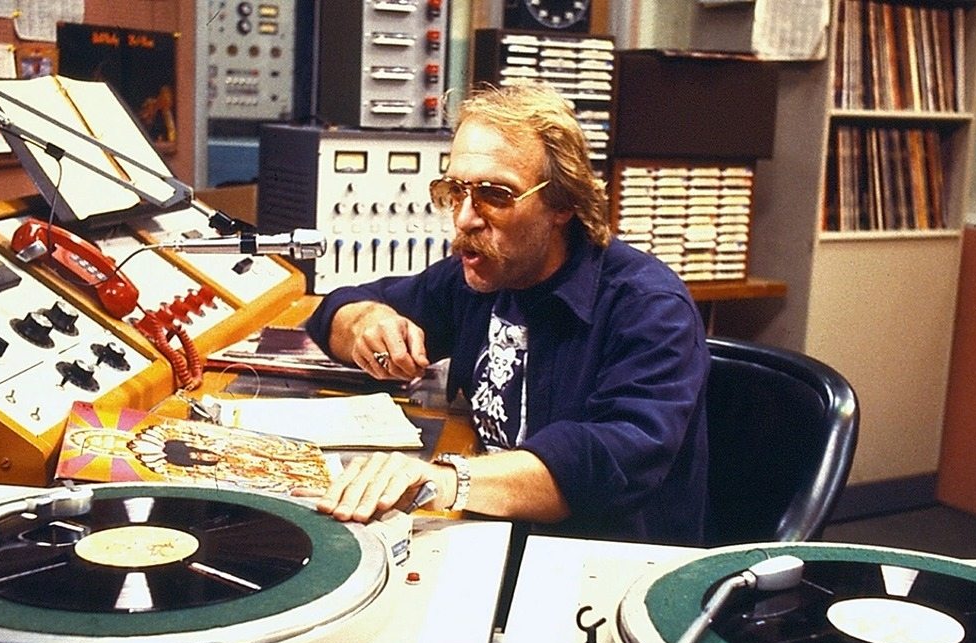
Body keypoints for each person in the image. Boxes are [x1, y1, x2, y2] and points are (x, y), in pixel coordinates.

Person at [302, 82, 710, 545]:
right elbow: (335, 309)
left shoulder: (650, 308)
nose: (464, 219)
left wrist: (446, 480)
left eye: (495, 195)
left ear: (562, 203)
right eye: (455, 191)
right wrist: (365, 322)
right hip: (495, 532)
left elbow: (606, 462)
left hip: (601, 558)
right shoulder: (482, 275)